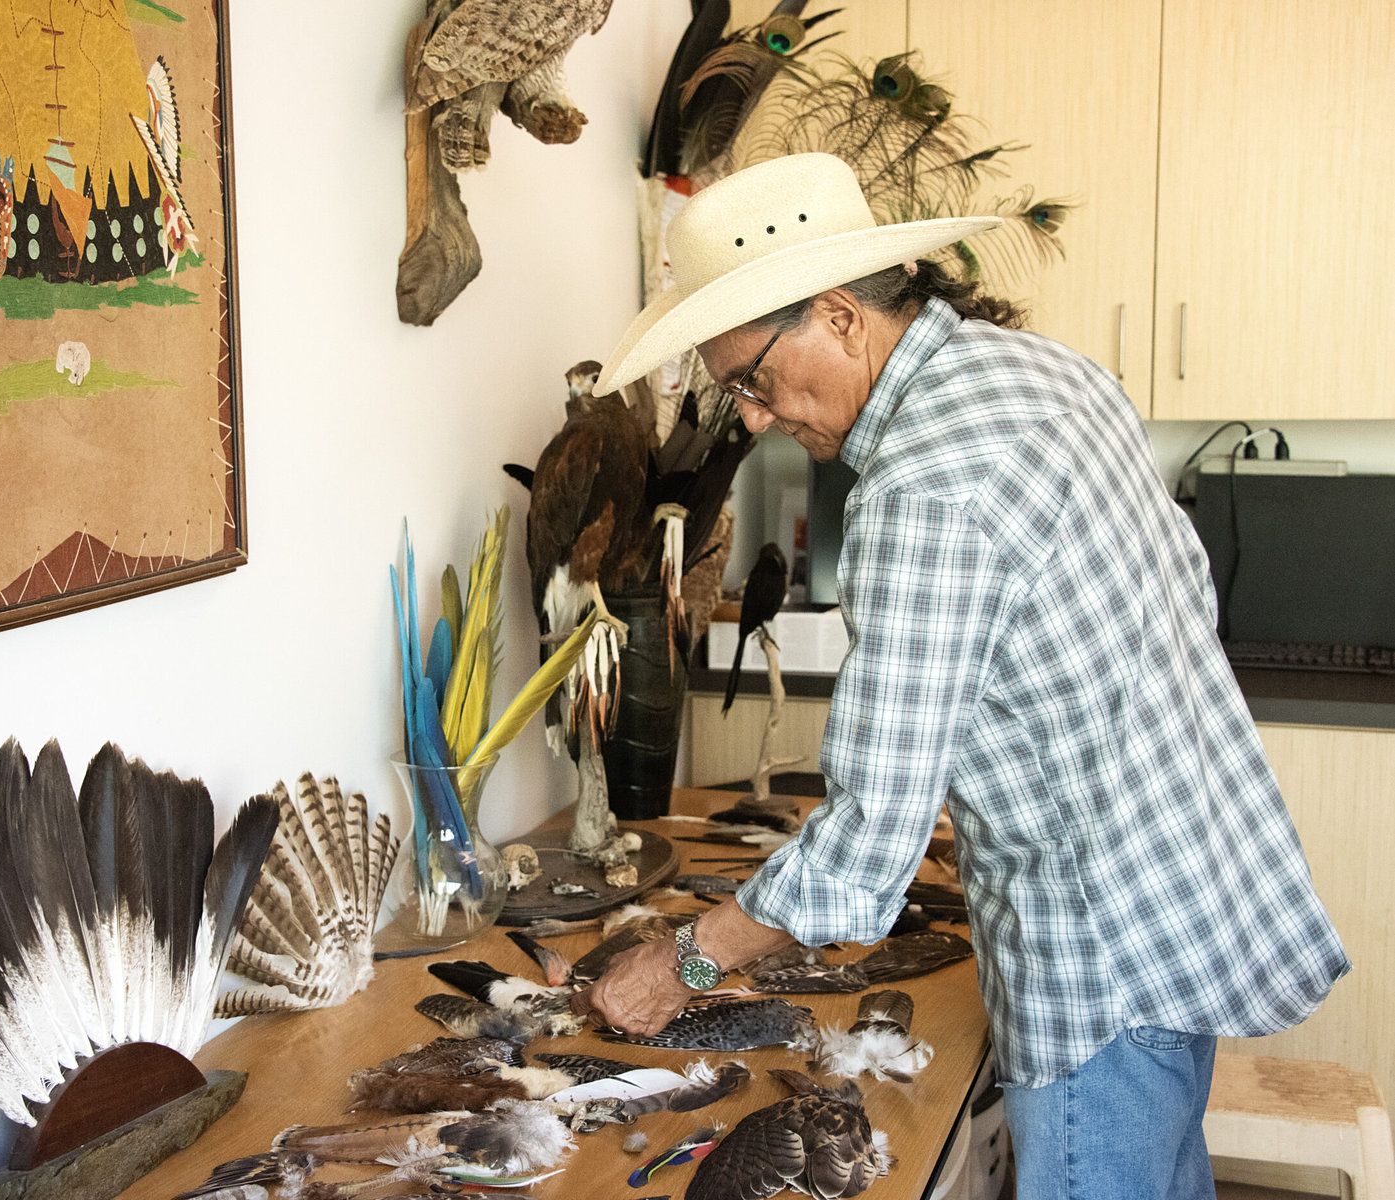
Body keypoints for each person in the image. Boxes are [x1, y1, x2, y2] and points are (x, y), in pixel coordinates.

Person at [571, 153, 1348, 1200]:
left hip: (1095, 952)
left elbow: (859, 854)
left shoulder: (923, 484)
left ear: (840, 317)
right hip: (1181, 896)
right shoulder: (1038, 371)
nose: (751, 416)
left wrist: (681, 965)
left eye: (750, 379)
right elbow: (1161, 606)